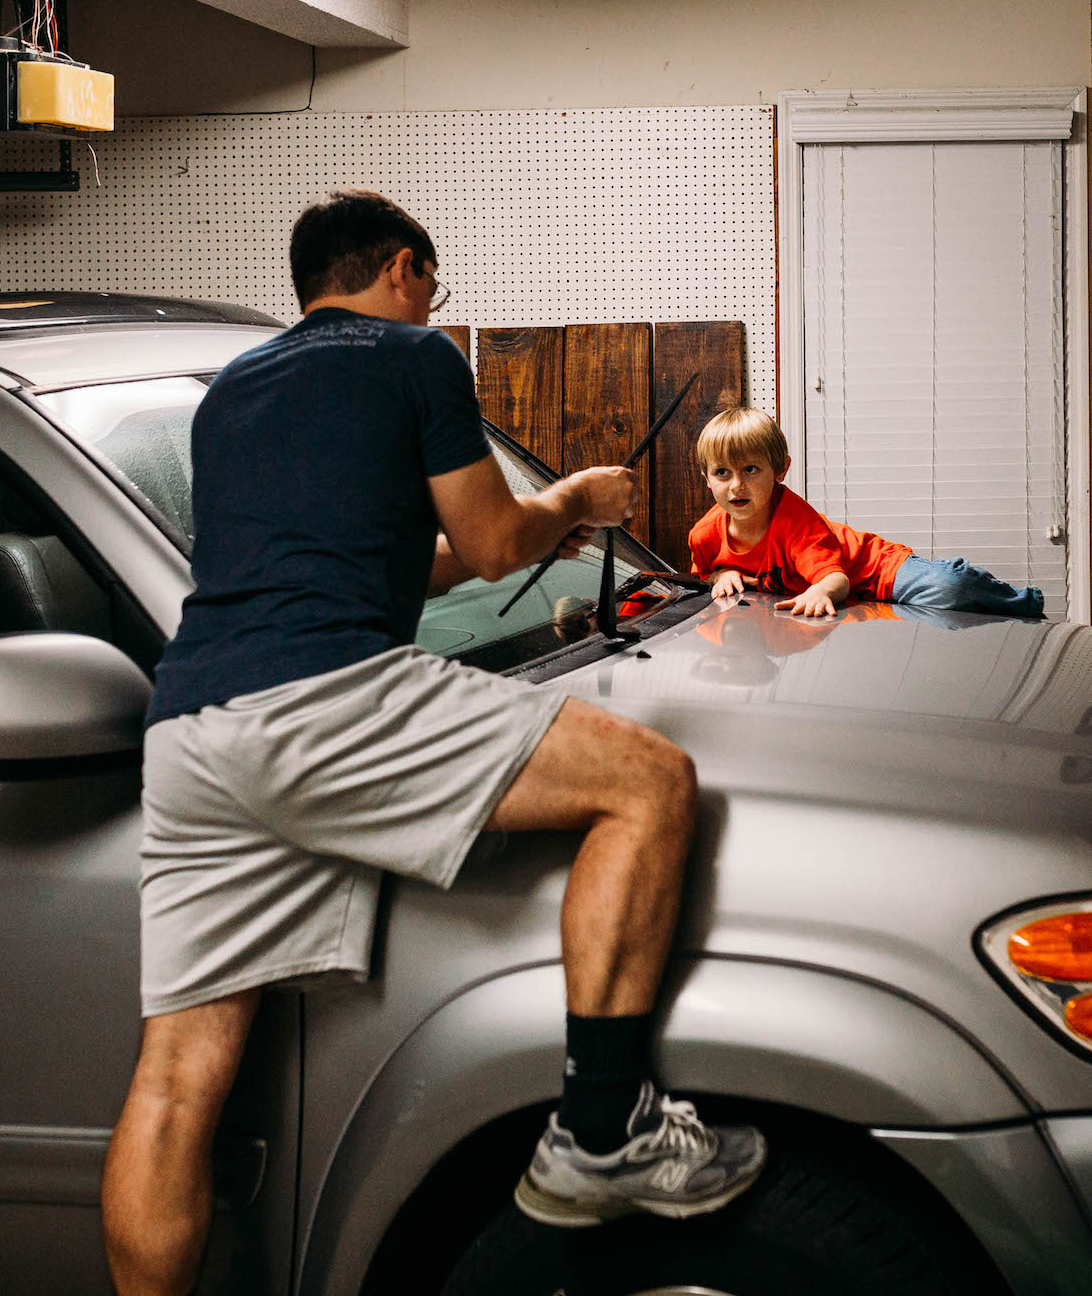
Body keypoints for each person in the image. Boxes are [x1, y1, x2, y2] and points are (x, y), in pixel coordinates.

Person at [101, 190, 765, 1295]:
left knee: (175, 1083)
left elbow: (406, 564)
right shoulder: (416, 358)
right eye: (431, 285)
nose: (430, 303)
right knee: (650, 781)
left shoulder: (228, 395)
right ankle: (601, 1132)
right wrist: (576, 499)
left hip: (191, 731)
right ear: (404, 269)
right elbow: (500, 540)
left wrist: (524, 529)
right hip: (323, 696)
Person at [687, 407, 1044, 618]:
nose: (736, 485)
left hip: (874, 570)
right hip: (858, 598)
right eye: (723, 473)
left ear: (780, 471)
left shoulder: (795, 521)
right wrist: (721, 574)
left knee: (951, 588)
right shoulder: (705, 535)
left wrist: (821, 593)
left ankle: (1023, 601)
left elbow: (836, 580)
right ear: (706, 478)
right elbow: (700, 577)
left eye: (751, 470)